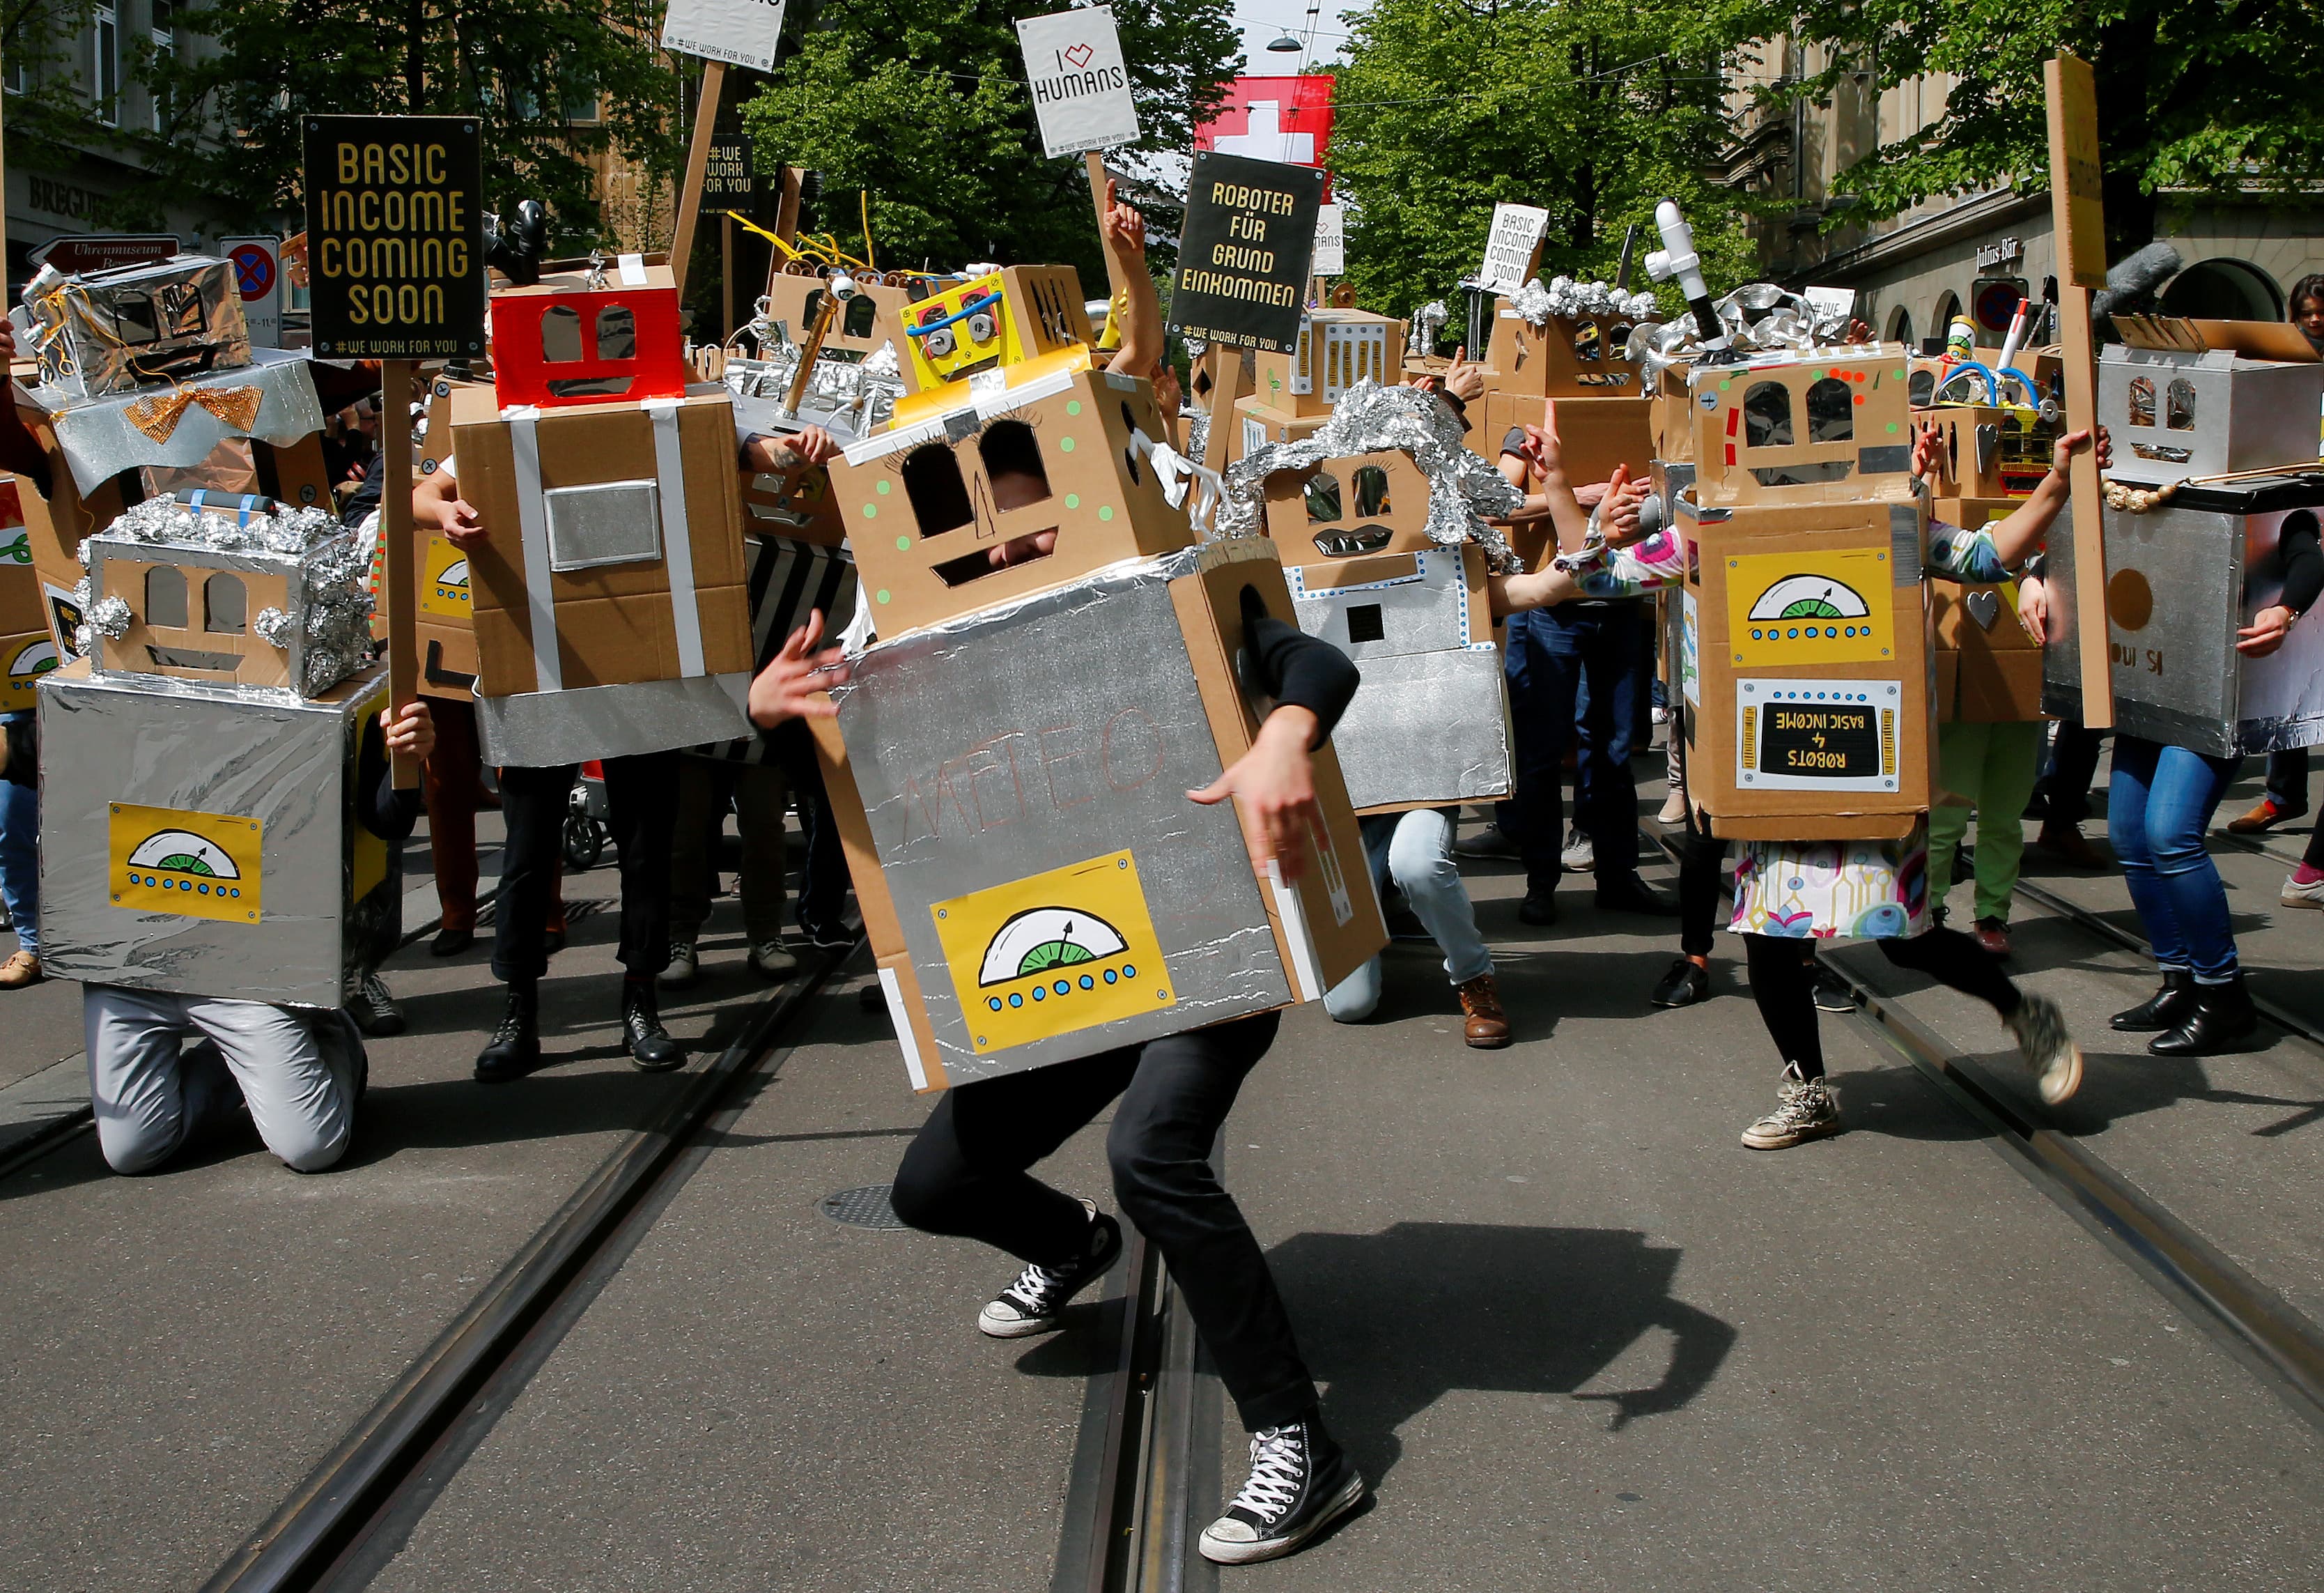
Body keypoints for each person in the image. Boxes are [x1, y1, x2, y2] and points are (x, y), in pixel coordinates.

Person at [1496, 415, 2104, 1146]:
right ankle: (1808, 1088)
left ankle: (2020, 1010)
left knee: (1903, 936)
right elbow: (1594, 575)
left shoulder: (1888, 517)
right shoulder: (1709, 529)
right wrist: (1562, 487)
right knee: (1767, 935)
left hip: (1871, 765)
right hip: (1767, 771)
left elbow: (1983, 556)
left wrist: (2057, 486)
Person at [415, 420, 841, 1082]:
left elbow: (753, 451)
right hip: (537, 672)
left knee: (647, 850)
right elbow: (425, 490)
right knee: (527, 856)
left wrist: (802, 446)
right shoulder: (510, 419)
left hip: (637, 665)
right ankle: (519, 1009)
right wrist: (445, 510)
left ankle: (640, 1002)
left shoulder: (661, 412)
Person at [84, 700, 433, 1173]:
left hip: (247, 968)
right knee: (132, 1150)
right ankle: (246, 1065)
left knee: (312, 1147)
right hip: (132, 968)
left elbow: (386, 820)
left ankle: (330, 1032)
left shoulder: (314, 689)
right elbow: (35, 760)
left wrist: (404, 759)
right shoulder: (99, 685)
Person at [2108, 507, 2321, 1054]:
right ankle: (2181, 979)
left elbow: (2306, 555)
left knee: (2170, 833)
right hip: (2147, 674)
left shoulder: (2260, 496)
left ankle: (2223, 998)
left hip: (2214, 689)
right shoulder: (2127, 486)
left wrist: (2286, 610)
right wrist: (2038, 580)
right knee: (2130, 832)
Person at [1457, 411, 1672, 925]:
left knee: (1614, 750)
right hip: (1549, 607)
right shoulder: (1527, 427)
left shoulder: (1646, 417)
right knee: (1541, 753)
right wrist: (1572, 494)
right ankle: (1540, 882)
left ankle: (1617, 875)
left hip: (1622, 600)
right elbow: (1489, 509)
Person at [2222, 275, 2324, 836]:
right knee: (2290, 661)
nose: (2314, 321)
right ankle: (2284, 793)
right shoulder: (2284, 362)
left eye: (2321, 312)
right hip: (2296, 504)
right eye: (2305, 312)